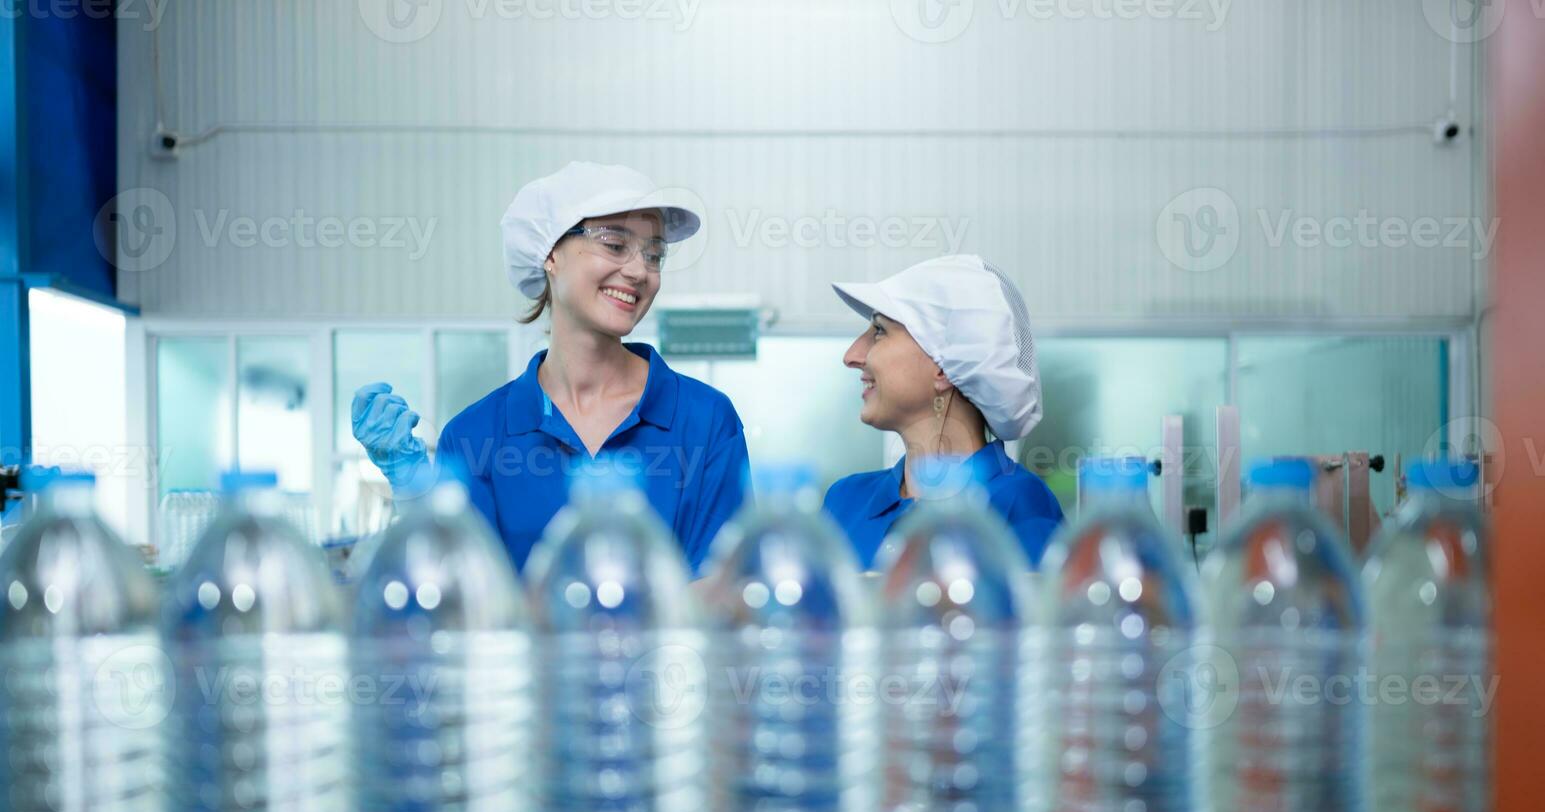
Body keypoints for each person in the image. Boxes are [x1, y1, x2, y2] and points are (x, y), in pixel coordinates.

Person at [350, 162, 750, 576]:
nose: (638, 271)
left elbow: (724, 591)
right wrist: (416, 500)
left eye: (654, 255)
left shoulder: (705, 421)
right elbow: (465, 599)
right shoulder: (477, 435)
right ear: (551, 254)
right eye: (615, 245)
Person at [821, 254, 1064, 569]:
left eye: (879, 331)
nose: (852, 355)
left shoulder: (1021, 506)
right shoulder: (845, 501)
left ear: (944, 367)